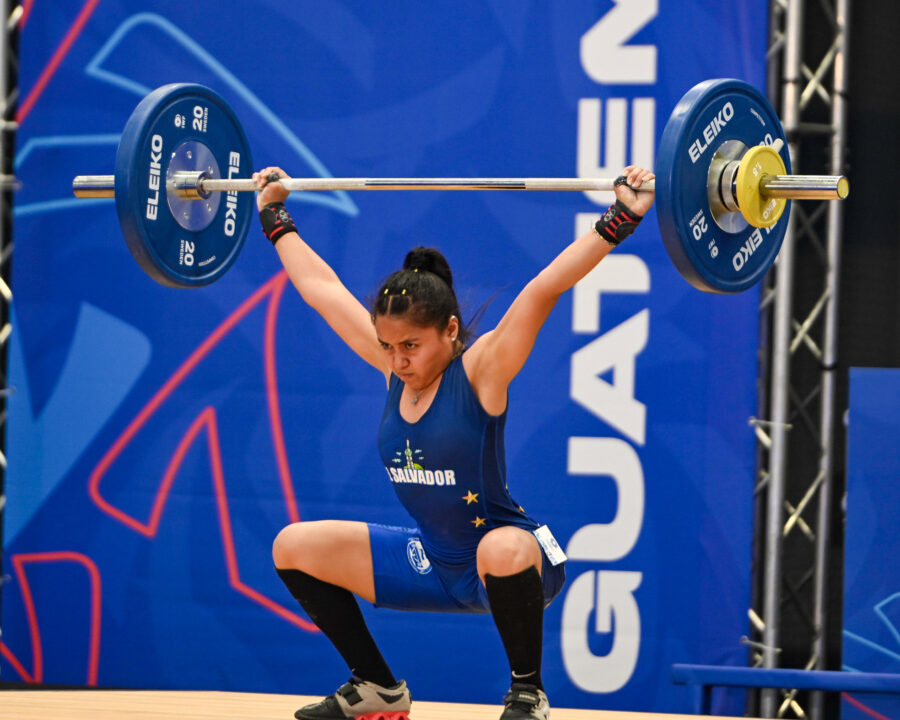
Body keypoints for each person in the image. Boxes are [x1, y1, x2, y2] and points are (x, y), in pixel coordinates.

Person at [253, 165, 656, 720]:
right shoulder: (394, 370)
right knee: (292, 545)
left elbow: (545, 288)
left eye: (411, 346)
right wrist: (275, 215)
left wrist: (622, 217)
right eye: (388, 346)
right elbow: (322, 291)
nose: (398, 360)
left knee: (498, 547)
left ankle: (527, 694)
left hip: (515, 561)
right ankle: (377, 688)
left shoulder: (482, 371)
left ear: (449, 330)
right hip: (434, 562)